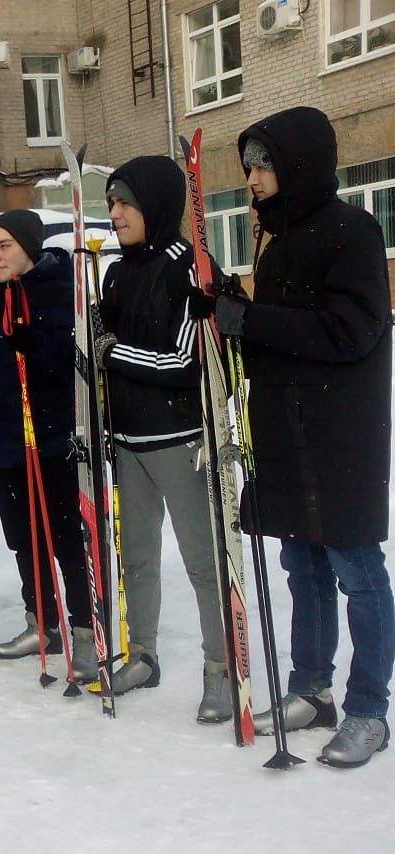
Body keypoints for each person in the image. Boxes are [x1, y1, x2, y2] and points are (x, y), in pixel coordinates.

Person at [213, 106, 394, 767]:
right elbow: (280, 335)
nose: (251, 178)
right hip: (286, 432)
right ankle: (311, 690)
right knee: (303, 570)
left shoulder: (353, 231)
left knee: (357, 574)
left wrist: (253, 321)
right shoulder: (276, 237)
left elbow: (350, 332)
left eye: (261, 165)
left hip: (339, 437)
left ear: (297, 164)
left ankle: (369, 709)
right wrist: (231, 310)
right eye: (248, 166)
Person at [92, 156, 229, 719]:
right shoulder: (116, 272)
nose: (115, 214)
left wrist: (112, 351)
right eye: (111, 203)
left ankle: (222, 668)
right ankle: (143, 653)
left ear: (155, 205)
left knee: (203, 562)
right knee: (138, 558)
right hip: (128, 441)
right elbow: (103, 350)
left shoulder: (188, 268)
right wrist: (93, 332)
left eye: (125, 203)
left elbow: (182, 363)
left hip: (180, 439)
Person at [0, 210, 94, 679]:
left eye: (4, 245)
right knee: (24, 541)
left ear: (28, 246)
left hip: (51, 440)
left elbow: (73, 361)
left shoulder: (60, 291)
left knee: (66, 541)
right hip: (7, 441)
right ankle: (41, 622)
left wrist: (37, 346)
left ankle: (85, 630)